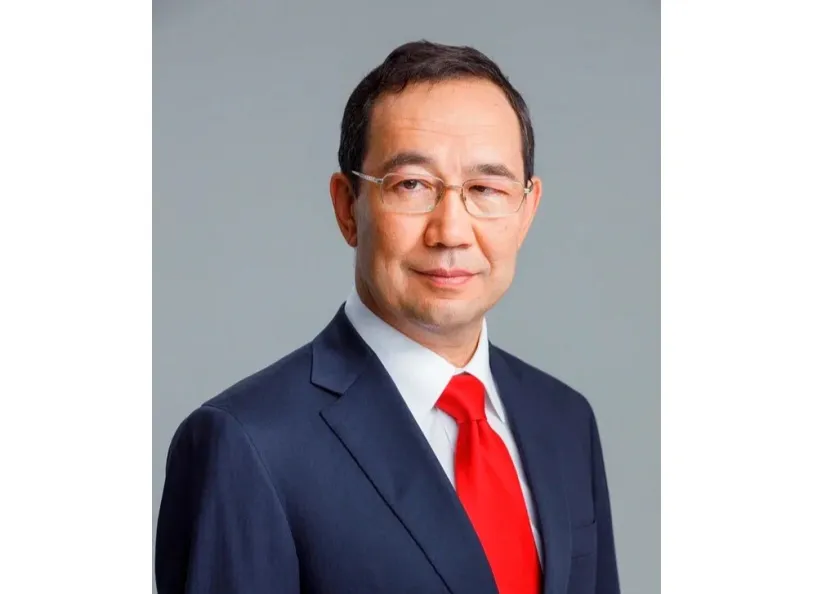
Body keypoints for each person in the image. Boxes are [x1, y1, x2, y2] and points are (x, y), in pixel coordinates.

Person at [155, 40, 620, 594]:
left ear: (527, 210)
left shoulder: (566, 421)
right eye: (412, 185)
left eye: (486, 189)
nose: (451, 231)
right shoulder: (246, 443)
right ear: (347, 207)